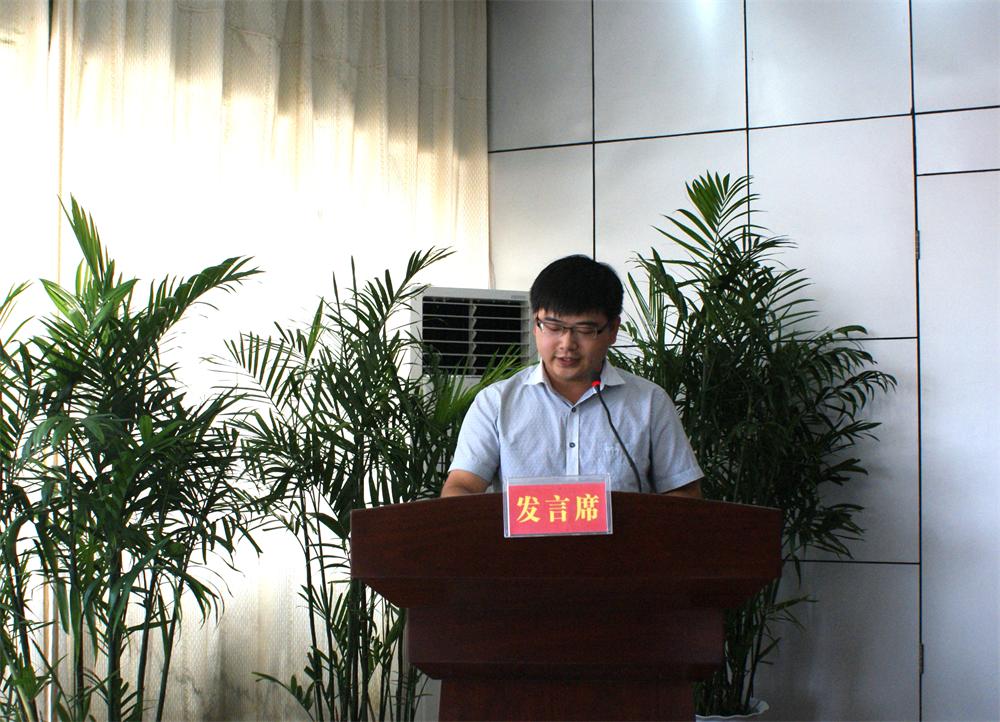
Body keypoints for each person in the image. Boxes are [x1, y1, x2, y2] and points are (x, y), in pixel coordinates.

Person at [440, 254, 703, 498]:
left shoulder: (650, 402)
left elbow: (684, 491)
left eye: (585, 330)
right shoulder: (496, 402)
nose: (567, 344)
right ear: (535, 324)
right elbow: (462, 485)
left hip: (624, 537)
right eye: (553, 327)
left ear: (612, 330)